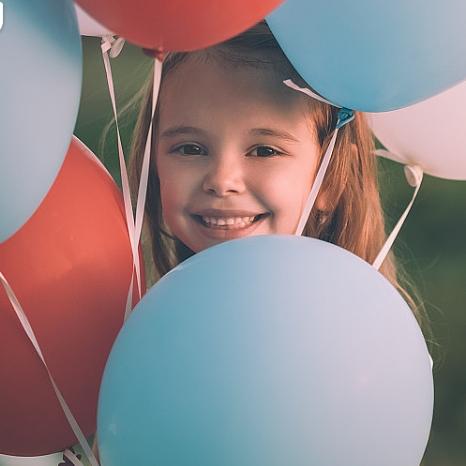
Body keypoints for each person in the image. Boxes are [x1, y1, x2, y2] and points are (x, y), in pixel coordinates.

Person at [127, 20, 428, 331]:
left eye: (264, 151)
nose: (221, 180)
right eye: (190, 149)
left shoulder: (354, 337)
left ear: (330, 179)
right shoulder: (145, 327)